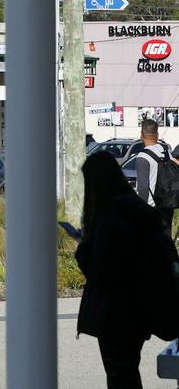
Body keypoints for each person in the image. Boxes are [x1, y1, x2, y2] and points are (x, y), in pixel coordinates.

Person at [76, 151, 179, 388]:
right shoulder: (139, 210)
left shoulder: (108, 216)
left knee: (119, 375)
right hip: (139, 311)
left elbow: (97, 268)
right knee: (128, 371)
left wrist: (83, 245)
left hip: (114, 313)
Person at [135, 118, 173, 234]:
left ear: (142, 134)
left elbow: (143, 188)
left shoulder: (142, 157)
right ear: (157, 134)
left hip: (151, 209)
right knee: (165, 245)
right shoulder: (165, 151)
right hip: (167, 206)